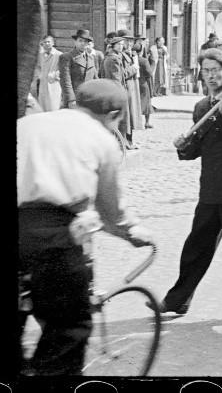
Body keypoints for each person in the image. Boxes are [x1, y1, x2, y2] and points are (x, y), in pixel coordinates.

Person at [17, 79, 154, 375]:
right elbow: (110, 211)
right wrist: (132, 234)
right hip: (55, 239)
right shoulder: (102, 140)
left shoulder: (29, 123)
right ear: (115, 115)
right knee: (69, 328)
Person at [156, 48, 222, 325]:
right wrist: (183, 147)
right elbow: (197, 149)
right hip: (210, 190)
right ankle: (177, 302)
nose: (212, 75)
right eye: (207, 71)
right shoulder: (201, 107)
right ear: (201, 74)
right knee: (196, 248)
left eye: (217, 70)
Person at [58, 29, 100, 109]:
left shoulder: (92, 58)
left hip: (89, 99)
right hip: (74, 99)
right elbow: (65, 81)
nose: (82, 43)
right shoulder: (67, 57)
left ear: (88, 44)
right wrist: (71, 99)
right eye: (80, 41)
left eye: (85, 41)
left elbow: (95, 79)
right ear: (75, 42)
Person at [32, 35, 63, 112]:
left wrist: (55, 74)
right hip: (43, 85)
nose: (47, 43)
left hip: (53, 84)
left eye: (48, 42)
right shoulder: (41, 55)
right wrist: (39, 75)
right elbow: (38, 66)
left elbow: (63, 69)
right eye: (45, 42)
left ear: (53, 43)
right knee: (43, 107)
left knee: (53, 107)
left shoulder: (59, 55)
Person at [135, 39, 154, 129]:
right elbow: (149, 73)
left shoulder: (131, 60)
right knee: (146, 103)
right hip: (143, 83)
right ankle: (147, 122)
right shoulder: (143, 60)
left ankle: (136, 121)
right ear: (141, 50)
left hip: (134, 83)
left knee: (136, 102)